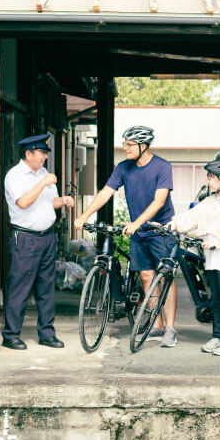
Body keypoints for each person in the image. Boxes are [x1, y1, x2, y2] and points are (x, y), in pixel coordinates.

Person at [73, 125, 180, 347]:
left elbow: (159, 201)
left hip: (161, 231)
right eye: (124, 144)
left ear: (143, 146)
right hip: (138, 233)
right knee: (146, 277)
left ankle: (170, 328)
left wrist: (137, 223)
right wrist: (84, 216)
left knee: (166, 278)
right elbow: (106, 192)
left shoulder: (162, 167)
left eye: (129, 145)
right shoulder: (123, 168)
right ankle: (156, 326)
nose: (125, 148)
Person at [169, 159, 220, 356]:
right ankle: (218, 336)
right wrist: (169, 225)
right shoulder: (210, 201)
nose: (208, 181)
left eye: (211, 177)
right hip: (212, 258)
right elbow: (191, 216)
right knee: (217, 301)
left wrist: (217, 242)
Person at [2, 133, 75, 350]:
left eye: (45, 153)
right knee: (20, 288)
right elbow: (23, 202)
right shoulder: (15, 176)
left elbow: (48, 202)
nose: (44, 157)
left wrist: (63, 201)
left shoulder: (43, 173)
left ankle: (47, 333)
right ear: (28, 153)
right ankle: (11, 334)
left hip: (47, 237)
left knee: (46, 289)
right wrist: (43, 183)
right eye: (42, 153)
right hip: (25, 238)